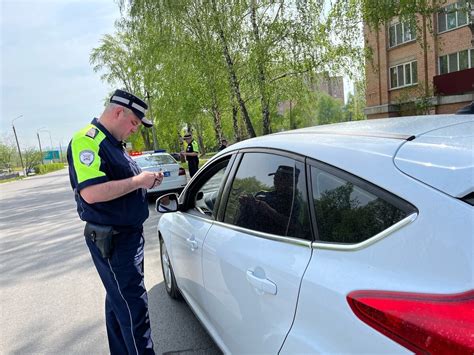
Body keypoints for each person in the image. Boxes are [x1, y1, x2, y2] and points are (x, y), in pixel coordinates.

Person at [67, 89, 161, 355]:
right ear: (118, 112)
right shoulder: (88, 141)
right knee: (134, 309)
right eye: (133, 123)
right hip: (114, 239)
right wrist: (140, 181)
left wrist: (144, 180)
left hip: (126, 236)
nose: (134, 130)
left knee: (118, 303)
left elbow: (120, 183)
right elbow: (92, 193)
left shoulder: (112, 143)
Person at [237, 165, 301, 236]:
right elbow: (246, 216)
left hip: (270, 240)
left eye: (280, 178)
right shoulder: (262, 194)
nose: (275, 179)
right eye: (275, 176)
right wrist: (246, 204)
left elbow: (294, 225)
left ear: (290, 182)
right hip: (246, 234)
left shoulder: (293, 203)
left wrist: (268, 210)